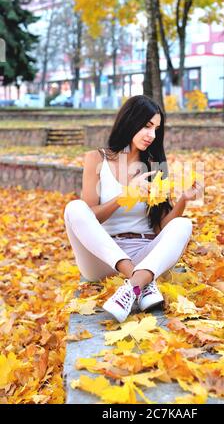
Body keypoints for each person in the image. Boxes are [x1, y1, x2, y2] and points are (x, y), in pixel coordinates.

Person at [63, 95, 202, 323]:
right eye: (147, 126)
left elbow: (160, 228)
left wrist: (183, 200)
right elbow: (89, 218)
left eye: (156, 128)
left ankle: (132, 288)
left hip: (144, 252)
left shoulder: (155, 165)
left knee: (184, 224)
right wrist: (126, 195)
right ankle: (139, 280)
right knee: (74, 208)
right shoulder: (96, 159)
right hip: (102, 257)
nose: (152, 135)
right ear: (130, 121)